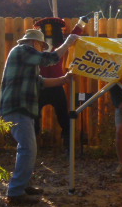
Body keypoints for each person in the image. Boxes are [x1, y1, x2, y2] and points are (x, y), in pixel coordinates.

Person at [0, 29, 79, 205]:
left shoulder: (25, 60)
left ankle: (23, 185)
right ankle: (15, 192)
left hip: (20, 107)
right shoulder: (23, 50)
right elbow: (49, 59)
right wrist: (67, 44)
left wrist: (63, 79)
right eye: (41, 46)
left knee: (28, 148)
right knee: (28, 148)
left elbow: (40, 82)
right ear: (35, 43)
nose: (42, 49)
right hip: (18, 106)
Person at [33, 16, 86, 149]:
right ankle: (33, 146)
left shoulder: (58, 46)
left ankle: (68, 146)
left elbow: (73, 36)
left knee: (64, 117)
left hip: (56, 85)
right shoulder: (37, 47)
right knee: (34, 118)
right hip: (41, 85)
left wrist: (81, 24)